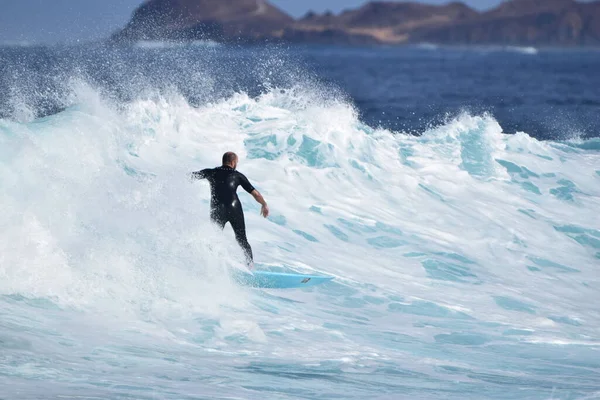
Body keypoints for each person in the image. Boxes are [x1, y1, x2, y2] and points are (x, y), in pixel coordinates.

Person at [190, 152, 269, 268]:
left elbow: (190, 176)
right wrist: (264, 204)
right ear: (233, 162)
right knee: (242, 239)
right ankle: (250, 266)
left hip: (217, 209)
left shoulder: (211, 172)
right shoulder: (238, 175)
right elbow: (256, 194)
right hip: (234, 208)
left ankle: (210, 265)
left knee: (214, 237)